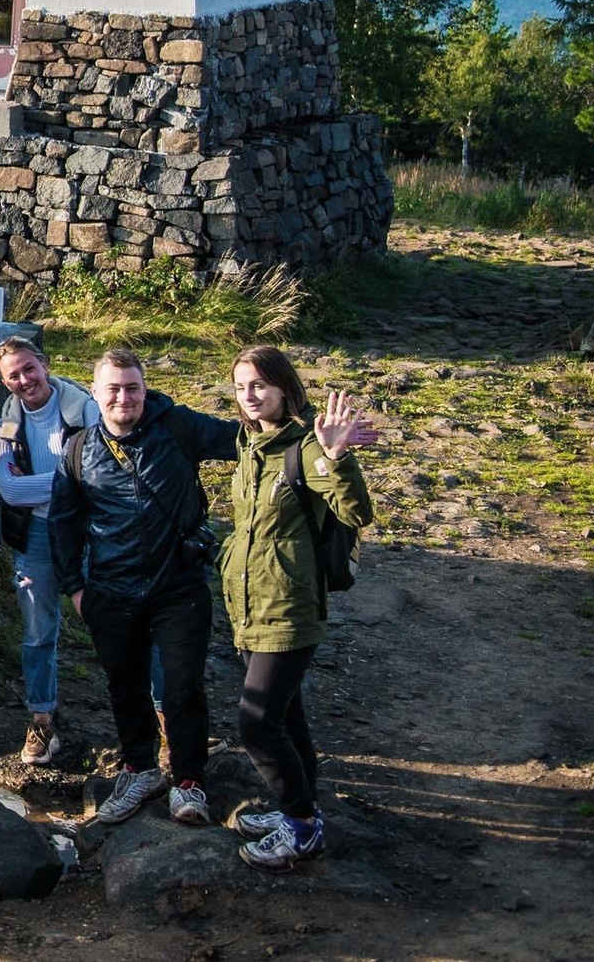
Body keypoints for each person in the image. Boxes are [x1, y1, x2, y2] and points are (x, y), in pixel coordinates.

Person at [48, 346, 242, 827]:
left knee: (181, 688)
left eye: (132, 387)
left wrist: (315, 435)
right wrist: (76, 587)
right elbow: (62, 522)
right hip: (111, 590)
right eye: (113, 389)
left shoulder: (178, 427)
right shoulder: (78, 449)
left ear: (144, 389)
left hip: (179, 585)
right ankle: (138, 769)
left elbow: (246, 439)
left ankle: (189, 781)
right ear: (94, 394)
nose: (124, 398)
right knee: (124, 686)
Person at [218, 347, 379, 872]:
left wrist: (336, 458)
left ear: (286, 387)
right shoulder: (249, 444)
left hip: (288, 608)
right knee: (288, 718)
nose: (250, 395)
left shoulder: (303, 448)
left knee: (257, 723)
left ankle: (303, 827)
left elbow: (356, 511)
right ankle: (298, 812)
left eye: (261, 385)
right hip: (248, 604)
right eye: (242, 386)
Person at [0, 336, 99, 767]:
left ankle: (153, 720)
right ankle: (42, 719)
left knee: (117, 620)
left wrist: (61, 487)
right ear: (3, 382)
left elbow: (98, 475)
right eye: (12, 375)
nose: (23, 380)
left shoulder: (85, 410)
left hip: (87, 532)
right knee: (38, 630)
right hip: (35, 534)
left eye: (28, 369)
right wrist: (68, 483)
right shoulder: (4, 428)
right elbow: (10, 488)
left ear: (45, 365)